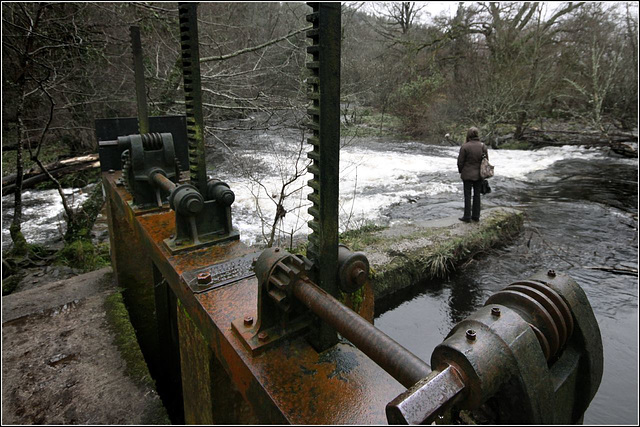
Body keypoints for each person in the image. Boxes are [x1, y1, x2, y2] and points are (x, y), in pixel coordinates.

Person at [457, 127, 488, 223]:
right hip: (479, 174)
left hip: (467, 174)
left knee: (467, 195)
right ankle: (476, 216)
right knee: (477, 195)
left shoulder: (465, 146)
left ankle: (467, 216)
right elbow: (486, 161)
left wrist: (461, 171)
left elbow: (460, 162)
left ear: (468, 135)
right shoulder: (483, 146)